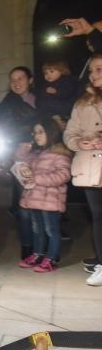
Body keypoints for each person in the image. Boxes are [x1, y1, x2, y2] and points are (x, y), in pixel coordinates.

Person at [63, 52, 102, 286]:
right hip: (91, 166)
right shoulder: (82, 103)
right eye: (91, 70)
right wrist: (80, 143)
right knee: (98, 217)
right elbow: (69, 133)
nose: (93, 74)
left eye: (99, 69)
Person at [15, 116, 71, 272]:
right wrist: (23, 153)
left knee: (51, 230)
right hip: (34, 199)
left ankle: (51, 258)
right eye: (35, 132)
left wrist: (37, 178)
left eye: (41, 132)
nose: (36, 135)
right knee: (37, 229)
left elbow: (63, 175)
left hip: (50, 201)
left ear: (51, 133)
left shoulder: (61, 154)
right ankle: (38, 254)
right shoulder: (37, 154)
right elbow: (24, 165)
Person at [0, 66, 38, 257]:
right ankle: (28, 247)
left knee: (42, 202)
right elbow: (5, 130)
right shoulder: (6, 104)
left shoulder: (42, 99)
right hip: (19, 157)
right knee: (24, 203)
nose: (16, 82)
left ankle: (44, 245)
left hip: (41, 155)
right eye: (13, 79)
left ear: (30, 80)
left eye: (21, 78)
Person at [36, 60, 77, 125]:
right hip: (47, 114)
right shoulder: (45, 84)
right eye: (46, 73)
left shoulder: (66, 81)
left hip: (61, 113)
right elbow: (40, 97)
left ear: (61, 71)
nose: (48, 75)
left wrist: (56, 92)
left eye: (51, 71)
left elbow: (68, 92)